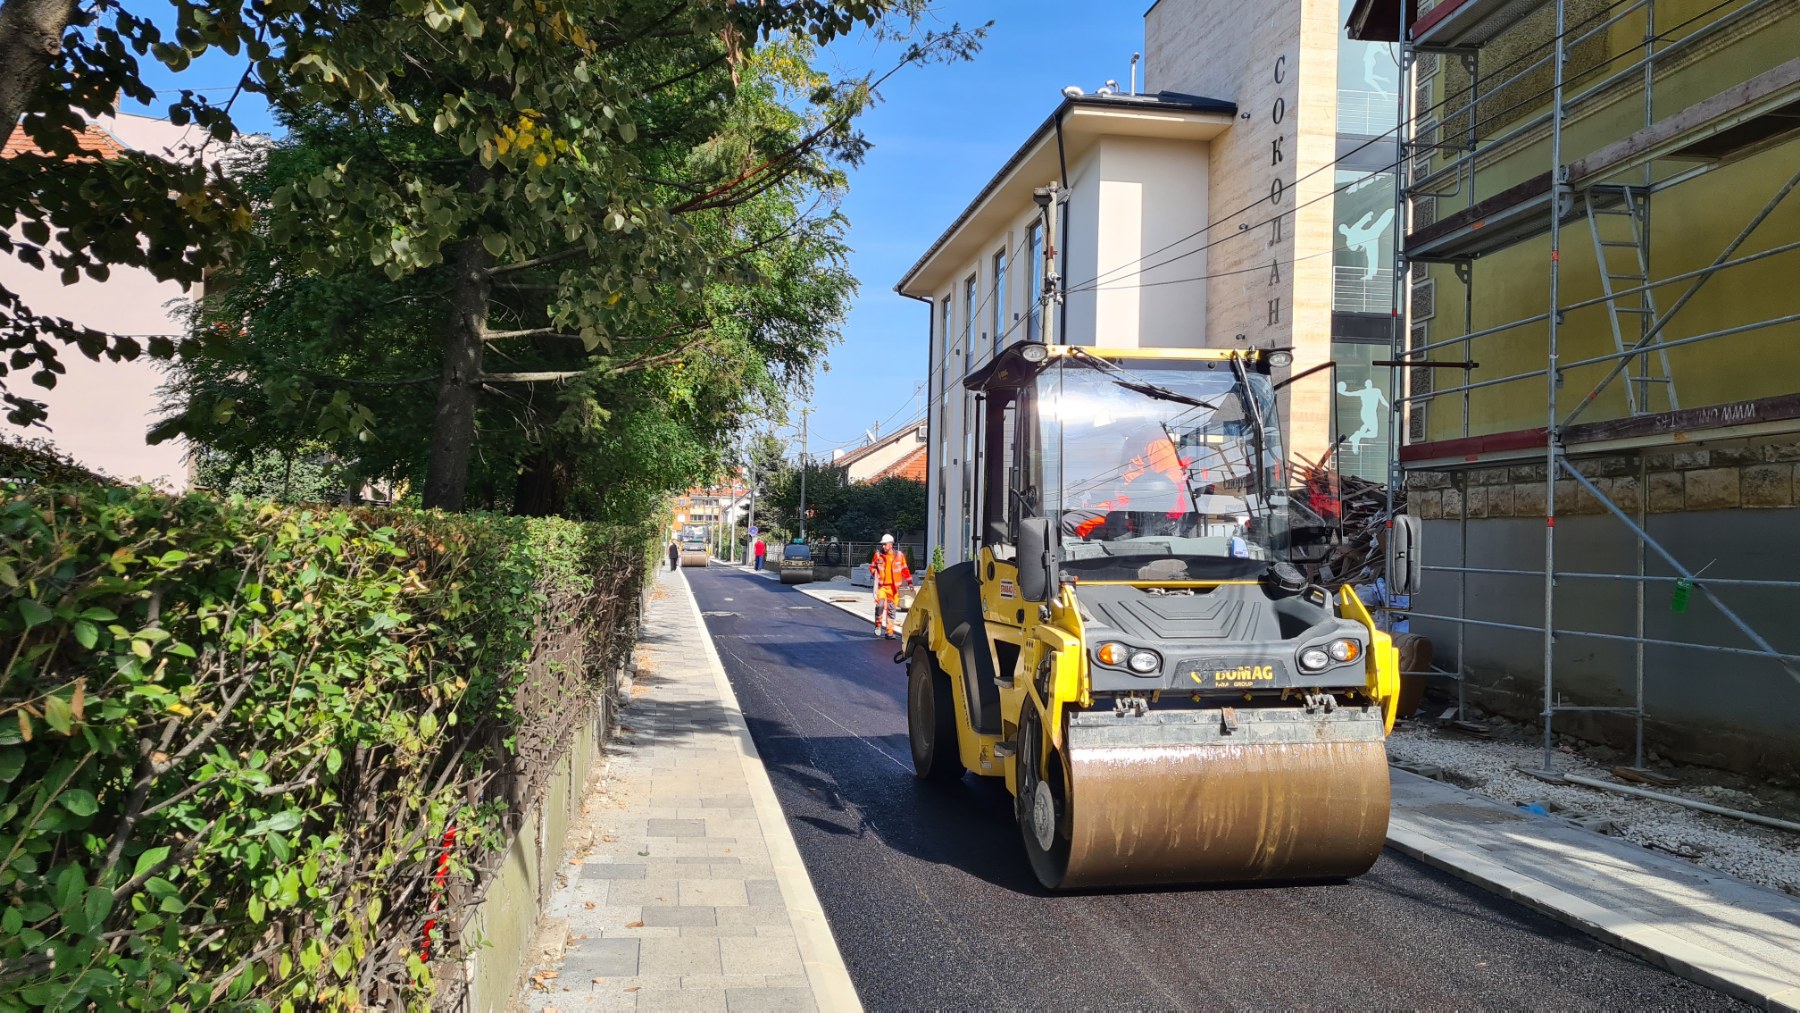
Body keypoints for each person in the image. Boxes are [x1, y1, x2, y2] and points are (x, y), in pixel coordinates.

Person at [869, 534, 912, 640]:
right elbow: (872, 567)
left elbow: (905, 569)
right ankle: (878, 625)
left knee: (891, 609)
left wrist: (910, 582)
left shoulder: (899, 555)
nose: (883, 546)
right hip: (882, 586)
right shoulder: (878, 555)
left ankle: (889, 632)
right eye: (882, 544)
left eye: (885, 544)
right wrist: (874, 573)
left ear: (891, 544)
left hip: (894, 588)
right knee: (880, 606)